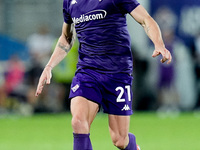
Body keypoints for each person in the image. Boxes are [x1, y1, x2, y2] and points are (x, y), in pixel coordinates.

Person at [35, 0, 172, 149]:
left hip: (117, 73)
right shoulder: (70, 2)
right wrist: (49, 66)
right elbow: (66, 37)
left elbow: (146, 19)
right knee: (78, 122)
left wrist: (159, 44)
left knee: (120, 140)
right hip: (87, 72)